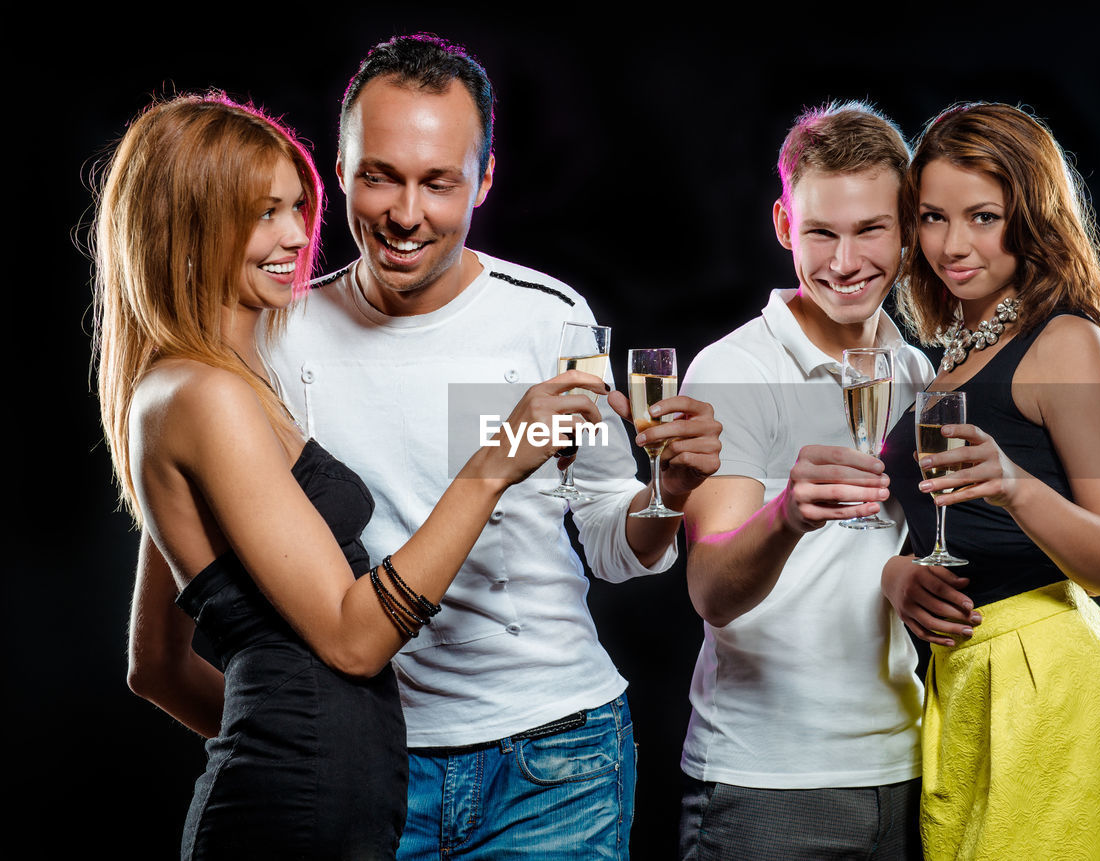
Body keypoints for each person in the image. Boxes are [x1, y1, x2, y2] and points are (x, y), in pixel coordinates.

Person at [93, 93, 602, 859]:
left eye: (299, 206)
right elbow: (355, 640)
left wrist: (311, 739)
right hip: (295, 817)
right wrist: (496, 460)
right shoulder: (206, 394)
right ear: (189, 224)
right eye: (262, 212)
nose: (298, 236)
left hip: (341, 804)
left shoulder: (218, 379)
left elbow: (155, 664)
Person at [263, 34, 721, 859]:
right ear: (339, 168)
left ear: (485, 179)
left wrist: (670, 492)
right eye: (381, 176)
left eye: (439, 182)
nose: (407, 214)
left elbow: (617, 545)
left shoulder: (549, 317)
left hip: (555, 759)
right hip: (368, 758)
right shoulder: (281, 337)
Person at [879, 102, 1100, 858]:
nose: (954, 244)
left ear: (1031, 217)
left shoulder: (1063, 341)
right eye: (933, 217)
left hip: (1054, 686)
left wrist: (1014, 483)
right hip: (966, 685)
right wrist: (895, 571)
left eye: (984, 217)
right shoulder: (940, 363)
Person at [674, 102, 934, 859]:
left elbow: (879, 559)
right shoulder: (734, 370)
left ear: (909, 227)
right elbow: (710, 589)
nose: (845, 262)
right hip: (767, 781)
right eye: (822, 232)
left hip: (908, 763)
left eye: (870, 230)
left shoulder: (917, 371)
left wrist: (908, 577)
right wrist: (788, 513)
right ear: (786, 226)